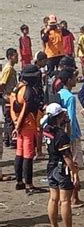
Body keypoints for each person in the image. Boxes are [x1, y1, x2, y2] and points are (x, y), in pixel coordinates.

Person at [42, 103, 80, 227]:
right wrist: (74, 172)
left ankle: (54, 226)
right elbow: (66, 156)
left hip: (51, 165)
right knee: (65, 201)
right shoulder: (61, 135)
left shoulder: (46, 129)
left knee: (53, 199)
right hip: (62, 168)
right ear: (59, 116)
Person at [10, 65, 45, 194]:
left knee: (19, 153)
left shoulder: (16, 88)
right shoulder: (28, 91)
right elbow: (25, 110)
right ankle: (29, 184)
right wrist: (18, 126)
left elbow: (13, 109)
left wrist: (15, 124)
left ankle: (19, 182)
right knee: (28, 154)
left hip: (19, 124)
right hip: (27, 125)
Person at [57, 68, 84, 207]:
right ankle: (75, 197)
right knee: (74, 165)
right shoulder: (70, 97)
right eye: (74, 77)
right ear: (69, 80)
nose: (76, 79)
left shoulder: (59, 94)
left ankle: (68, 197)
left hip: (60, 134)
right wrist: (70, 136)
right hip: (71, 134)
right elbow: (71, 118)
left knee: (64, 166)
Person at [1, 48, 19, 149]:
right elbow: (2, 84)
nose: (17, 58)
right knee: (10, 119)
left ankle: (8, 140)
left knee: (9, 119)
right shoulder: (8, 69)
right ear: (10, 57)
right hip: (7, 98)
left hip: (9, 97)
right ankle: (11, 140)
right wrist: (5, 96)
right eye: (15, 56)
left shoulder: (10, 68)